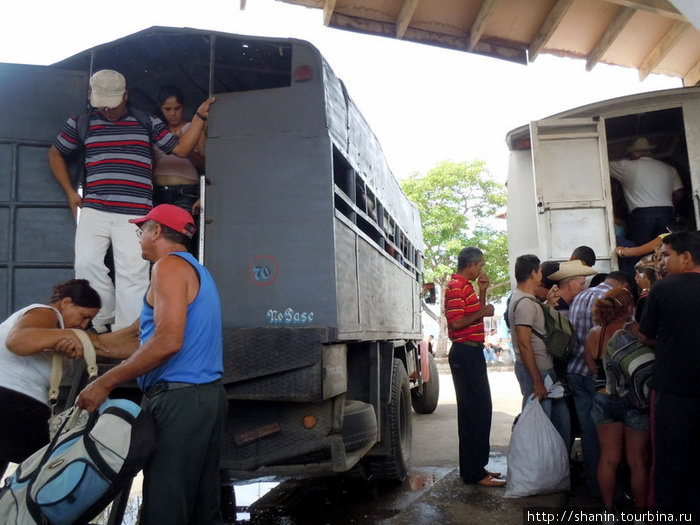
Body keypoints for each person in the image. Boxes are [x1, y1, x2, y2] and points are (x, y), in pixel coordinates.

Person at [77, 204, 226, 524]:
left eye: (140, 230)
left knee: (165, 507)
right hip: (202, 397)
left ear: (156, 231)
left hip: (180, 400)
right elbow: (142, 342)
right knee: (202, 506)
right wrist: (90, 346)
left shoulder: (168, 268)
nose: (139, 238)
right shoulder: (193, 269)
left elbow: (168, 342)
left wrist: (105, 382)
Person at [48, 70, 215, 333]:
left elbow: (181, 150)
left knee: (133, 273)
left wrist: (200, 117)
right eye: (101, 102)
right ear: (91, 96)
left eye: (112, 103)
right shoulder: (80, 122)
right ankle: (102, 319)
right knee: (85, 263)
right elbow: (56, 153)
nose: (107, 109)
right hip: (94, 207)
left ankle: (127, 333)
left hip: (135, 211)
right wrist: (71, 192)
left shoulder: (146, 121)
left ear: (125, 95)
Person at [0, 279, 102, 474]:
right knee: (58, 470)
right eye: (83, 316)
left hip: (17, 403)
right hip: (13, 400)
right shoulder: (46, 312)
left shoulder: (55, 331)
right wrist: (67, 337)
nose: (84, 325)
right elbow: (19, 341)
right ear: (66, 303)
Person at [638, 231, 700, 516]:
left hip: (672, 390)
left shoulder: (663, 289)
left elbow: (646, 335)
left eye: (665, 255)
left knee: (669, 462)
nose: (660, 262)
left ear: (686, 257)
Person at [567, 271, 632, 499]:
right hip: (604, 379)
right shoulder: (616, 299)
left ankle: (597, 491)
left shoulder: (580, 296)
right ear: (623, 284)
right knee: (614, 441)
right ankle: (617, 492)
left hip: (577, 371)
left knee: (589, 433)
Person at [584, 288, 649, 514]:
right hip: (633, 401)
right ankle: (641, 515)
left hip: (603, 399)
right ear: (629, 307)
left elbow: (592, 368)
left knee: (609, 459)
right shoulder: (635, 330)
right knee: (637, 461)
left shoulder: (595, 333)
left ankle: (608, 513)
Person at [444, 247, 504, 487]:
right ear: (470, 265)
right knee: (475, 411)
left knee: (477, 411)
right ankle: (474, 473)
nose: (482, 269)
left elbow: (473, 314)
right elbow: (457, 322)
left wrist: (482, 291)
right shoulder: (456, 287)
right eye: (480, 265)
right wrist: (483, 310)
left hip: (471, 352)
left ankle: (475, 468)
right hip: (465, 352)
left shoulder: (465, 286)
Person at [508, 254, 570, 448]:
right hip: (538, 372)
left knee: (559, 424)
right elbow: (525, 343)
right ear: (533, 273)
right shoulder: (525, 302)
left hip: (542, 371)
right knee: (540, 431)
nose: (542, 276)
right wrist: (537, 381)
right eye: (540, 271)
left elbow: (533, 329)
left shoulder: (524, 299)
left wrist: (548, 304)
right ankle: (542, 475)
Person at [609, 137, 684, 246]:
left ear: (633, 154)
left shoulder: (626, 166)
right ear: (649, 152)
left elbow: (601, 164)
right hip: (666, 213)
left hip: (642, 215)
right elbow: (679, 193)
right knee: (665, 247)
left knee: (641, 249)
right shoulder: (669, 168)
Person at [152, 85, 206, 216]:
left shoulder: (193, 128)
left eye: (177, 108)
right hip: (158, 192)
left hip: (185, 191)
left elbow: (205, 165)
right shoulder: (157, 131)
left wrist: (186, 150)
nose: (172, 113)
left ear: (183, 107)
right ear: (161, 108)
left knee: (181, 235)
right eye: (167, 109)